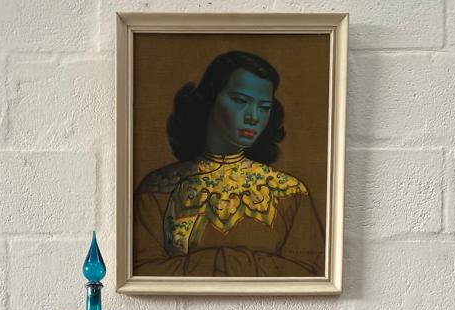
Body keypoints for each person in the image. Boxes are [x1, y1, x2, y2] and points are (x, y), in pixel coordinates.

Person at [133, 50, 325, 278]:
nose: (253, 116)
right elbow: (142, 272)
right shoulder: (158, 188)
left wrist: (216, 263)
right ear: (210, 100)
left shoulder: (291, 192)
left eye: (264, 107)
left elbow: (311, 273)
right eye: (241, 101)